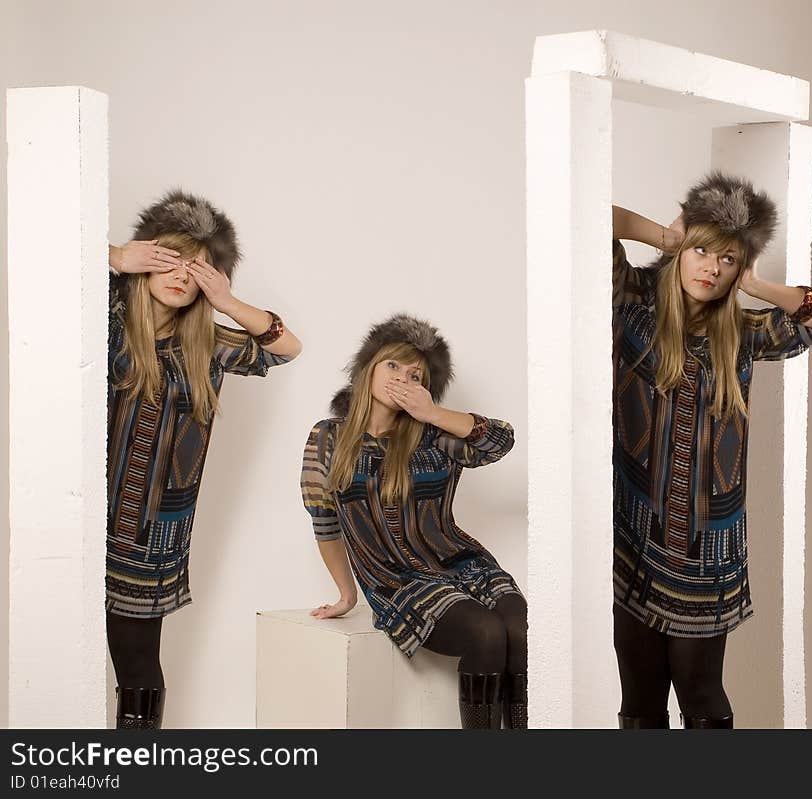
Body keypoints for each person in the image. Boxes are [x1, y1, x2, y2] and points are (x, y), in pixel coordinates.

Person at [610, 172, 812, 729]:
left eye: (726, 260)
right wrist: (667, 238)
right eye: (702, 251)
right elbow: (597, 216)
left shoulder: (742, 331)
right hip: (632, 532)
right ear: (683, 247)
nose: (711, 268)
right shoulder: (634, 300)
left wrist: (758, 285)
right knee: (640, 702)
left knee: (702, 698)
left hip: (707, 545)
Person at [106, 190, 302, 728]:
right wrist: (117, 257)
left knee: (138, 666)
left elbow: (287, 349)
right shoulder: (108, 318)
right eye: (169, 262)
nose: (180, 278)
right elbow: (47, 252)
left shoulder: (207, 344)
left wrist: (229, 302)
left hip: (153, 535)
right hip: (83, 518)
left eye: (196, 272)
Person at [301, 314, 527, 728]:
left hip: (464, 564)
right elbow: (324, 519)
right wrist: (347, 594)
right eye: (392, 366)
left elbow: (501, 441)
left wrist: (434, 413)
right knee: (486, 633)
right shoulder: (327, 437)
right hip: (398, 581)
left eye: (415, 375)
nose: (402, 379)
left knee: (520, 627)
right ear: (367, 369)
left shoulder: (433, 433)